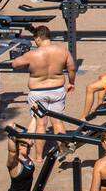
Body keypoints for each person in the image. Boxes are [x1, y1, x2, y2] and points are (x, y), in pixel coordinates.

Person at [11, 25, 77, 163]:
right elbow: (71, 68)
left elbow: (15, 64)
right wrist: (71, 83)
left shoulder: (33, 54)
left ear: (39, 38)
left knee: (41, 124)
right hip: (57, 89)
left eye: (35, 39)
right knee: (57, 121)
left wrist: (23, 56)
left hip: (38, 92)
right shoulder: (62, 51)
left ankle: (39, 156)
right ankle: (62, 149)